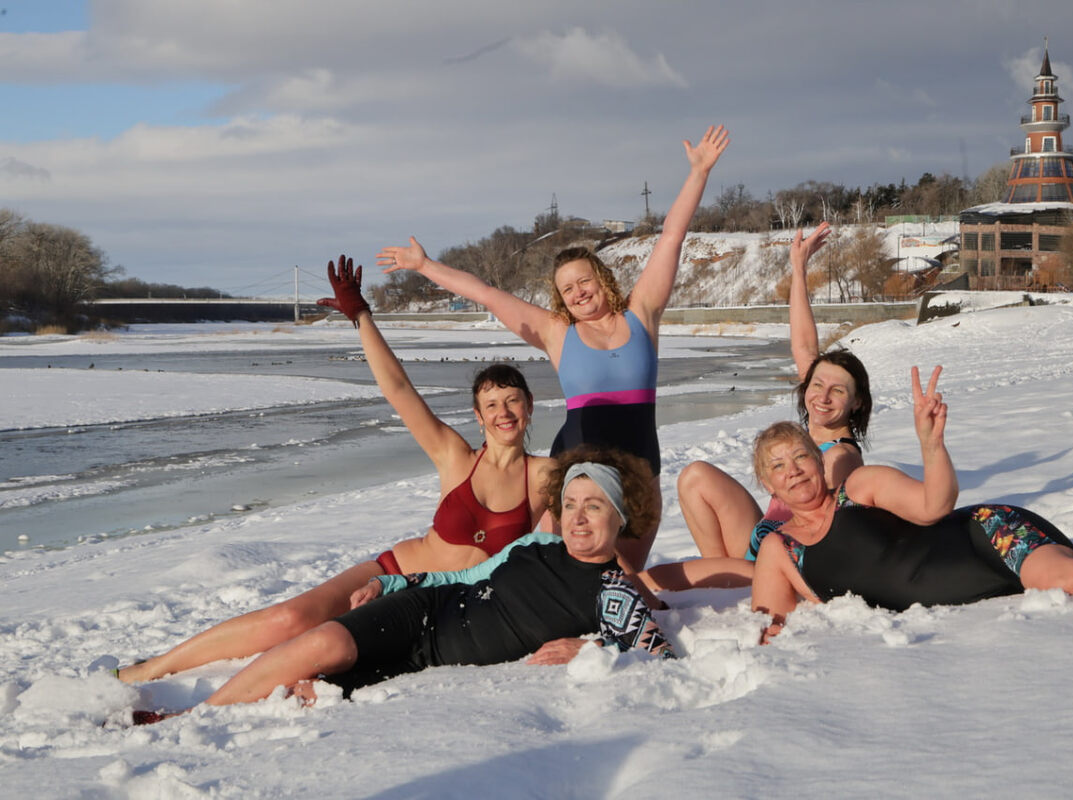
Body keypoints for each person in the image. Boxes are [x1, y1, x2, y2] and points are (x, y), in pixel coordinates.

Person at [117, 257, 553, 684]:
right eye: (492, 404)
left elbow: (584, 532)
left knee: (324, 654)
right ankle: (149, 668)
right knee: (291, 618)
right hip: (391, 572)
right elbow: (398, 388)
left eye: (513, 400)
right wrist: (361, 316)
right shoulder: (454, 456)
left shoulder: (545, 476)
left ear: (530, 408)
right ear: (478, 416)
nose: (504, 412)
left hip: (445, 604)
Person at [376, 126, 730, 571]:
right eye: (566, 289)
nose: (578, 292)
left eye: (584, 281)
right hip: (577, 472)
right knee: (578, 578)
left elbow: (671, 238)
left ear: (602, 279)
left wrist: (697, 173)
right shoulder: (557, 332)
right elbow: (486, 293)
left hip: (642, 467)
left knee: (628, 576)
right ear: (558, 298)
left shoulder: (642, 314)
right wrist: (426, 266)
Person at [138, 447, 674, 715]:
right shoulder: (537, 544)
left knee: (321, 683)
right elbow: (469, 574)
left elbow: (657, 658)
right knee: (322, 640)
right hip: (425, 608)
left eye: (595, 506)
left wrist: (588, 646)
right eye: (572, 504)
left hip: (431, 655)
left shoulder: (615, 592)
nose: (579, 518)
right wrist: (392, 585)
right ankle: (191, 716)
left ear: (622, 516)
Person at [750, 366, 1073, 641]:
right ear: (768, 483)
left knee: (1067, 579)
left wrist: (931, 447)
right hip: (977, 588)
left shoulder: (860, 487)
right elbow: (769, 624)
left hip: (989, 537)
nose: (793, 470)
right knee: (1071, 579)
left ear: (818, 459)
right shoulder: (781, 550)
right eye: (778, 466)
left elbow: (934, 506)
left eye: (800, 456)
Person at [639, 222, 872, 592]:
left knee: (653, 580)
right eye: (817, 385)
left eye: (838, 391)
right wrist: (797, 268)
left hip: (782, 559)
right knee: (695, 476)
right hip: (761, 537)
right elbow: (804, 346)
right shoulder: (812, 431)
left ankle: (727, 580)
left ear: (857, 402)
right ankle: (722, 579)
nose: (823, 397)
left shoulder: (841, 456)